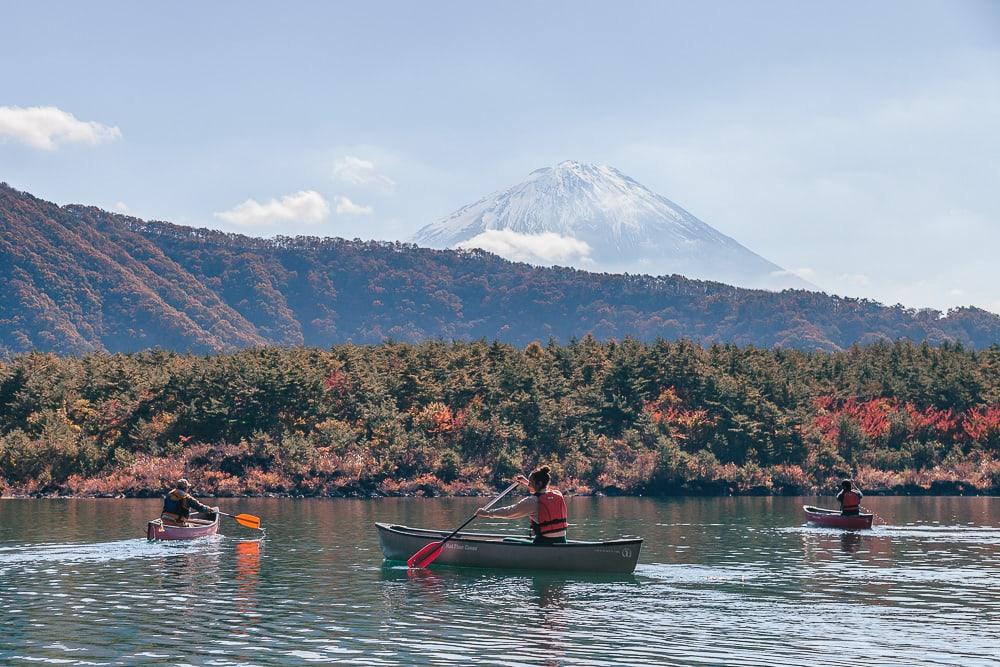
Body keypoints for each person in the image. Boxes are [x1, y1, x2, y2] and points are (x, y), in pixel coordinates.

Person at [476, 465, 568, 544]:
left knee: (507, 540)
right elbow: (541, 490)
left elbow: (509, 512)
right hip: (562, 541)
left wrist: (486, 513)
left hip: (543, 542)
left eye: (530, 482)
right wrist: (525, 481)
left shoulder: (532, 501)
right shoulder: (557, 494)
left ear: (539, 484)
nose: (529, 485)